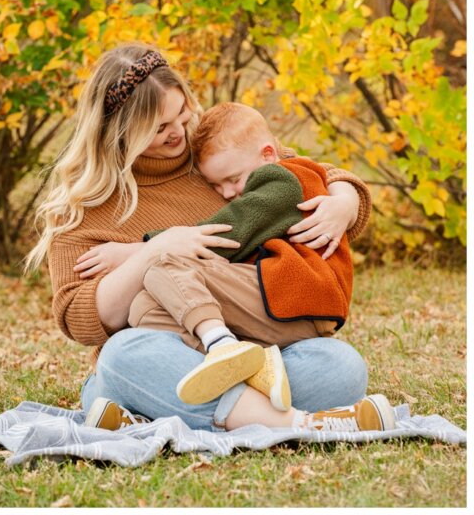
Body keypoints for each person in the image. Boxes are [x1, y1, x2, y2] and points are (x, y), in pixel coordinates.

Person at [25, 44, 390, 436]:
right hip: (167, 358)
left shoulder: (211, 153)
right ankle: (299, 423)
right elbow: (78, 319)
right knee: (120, 359)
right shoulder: (82, 206)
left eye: (181, 115)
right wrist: (153, 253)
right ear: (118, 130)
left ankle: (159, 418)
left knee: (341, 366)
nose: (179, 133)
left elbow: (299, 174)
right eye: (160, 128)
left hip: (263, 349)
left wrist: (346, 201)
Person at [114, 101, 389, 429]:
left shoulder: (282, 181)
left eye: (233, 179)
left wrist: (143, 249)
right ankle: (251, 368)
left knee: (163, 259)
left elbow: (232, 231)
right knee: (145, 310)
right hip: (279, 307)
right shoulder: (256, 165)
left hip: (295, 294)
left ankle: (218, 350)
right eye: (216, 186)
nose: (228, 192)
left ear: (270, 155)